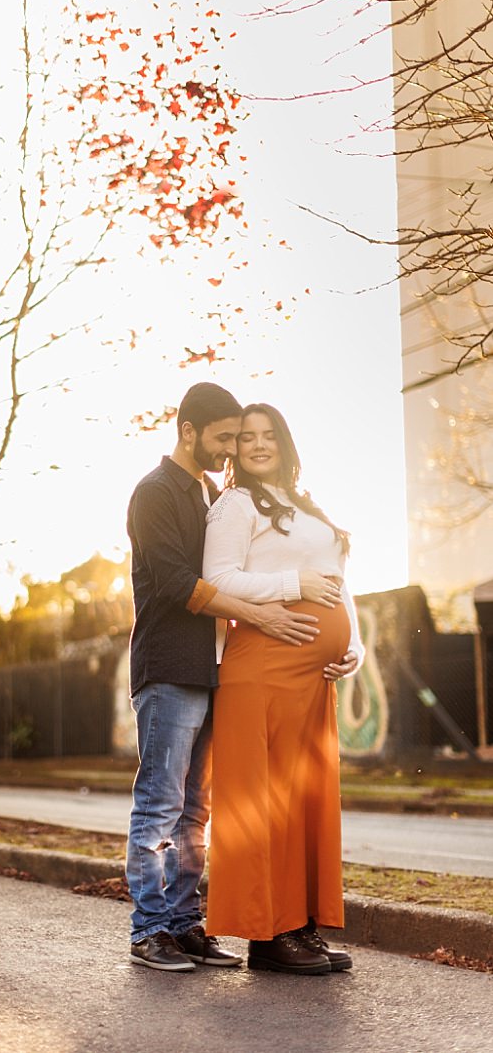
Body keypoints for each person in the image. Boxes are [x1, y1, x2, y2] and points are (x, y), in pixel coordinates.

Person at [126, 383, 327, 973]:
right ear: (188, 430)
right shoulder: (155, 492)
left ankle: (186, 924)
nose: (231, 448)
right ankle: (150, 930)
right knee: (160, 802)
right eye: (223, 437)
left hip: (213, 671)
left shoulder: (211, 494)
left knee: (196, 808)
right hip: (168, 669)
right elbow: (174, 583)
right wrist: (261, 611)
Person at [202, 402, 364, 975]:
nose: (258, 444)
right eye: (247, 437)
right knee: (264, 805)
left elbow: (340, 588)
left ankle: (300, 926)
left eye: (269, 435)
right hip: (263, 667)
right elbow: (218, 580)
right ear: (236, 450)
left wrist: (355, 646)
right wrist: (292, 582)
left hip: (312, 677)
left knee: (302, 801)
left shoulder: (307, 506)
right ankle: (266, 937)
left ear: (285, 443)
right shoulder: (235, 506)